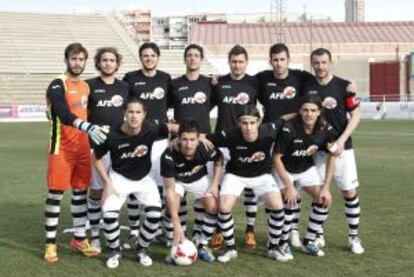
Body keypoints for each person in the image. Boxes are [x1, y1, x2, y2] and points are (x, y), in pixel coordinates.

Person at [43, 43, 109, 263]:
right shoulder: (57, 83)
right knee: (55, 194)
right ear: (66, 60)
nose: (77, 63)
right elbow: (62, 112)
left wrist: (100, 127)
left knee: (80, 193)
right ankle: (50, 244)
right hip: (60, 147)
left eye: (81, 59)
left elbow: (91, 112)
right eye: (74, 59)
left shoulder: (85, 87)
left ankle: (79, 238)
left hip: (82, 148)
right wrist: (86, 126)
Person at [93, 99, 177, 268]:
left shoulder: (151, 128)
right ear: (124, 113)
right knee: (108, 216)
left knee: (154, 216)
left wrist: (196, 137)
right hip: (118, 178)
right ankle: (114, 251)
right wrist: (107, 183)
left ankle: (141, 249)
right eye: (130, 112)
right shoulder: (111, 134)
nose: (134, 116)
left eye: (138, 112)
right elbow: (95, 158)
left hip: (144, 180)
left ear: (144, 115)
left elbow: (174, 127)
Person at [206, 105, 290, 263]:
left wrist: (299, 113)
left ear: (258, 122)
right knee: (224, 207)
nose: (248, 127)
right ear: (239, 123)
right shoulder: (230, 134)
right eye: (244, 123)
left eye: (252, 122)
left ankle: (273, 247)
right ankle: (231, 248)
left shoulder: (269, 130)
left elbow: (283, 119)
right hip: (235, 175)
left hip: (262, 175)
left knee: (278, 205)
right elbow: (207, 138)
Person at [303, 48, 364, 254]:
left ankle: (354, 237)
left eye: (323, 62)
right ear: (311, 64)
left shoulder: (344, 86)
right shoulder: (307, 85)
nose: (320, 66)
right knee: (320, 194)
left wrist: (341, 140)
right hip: (318, 151)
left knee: (349, 192)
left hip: (343, 149)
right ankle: (318, 233)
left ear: (330, 62)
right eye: (316, 63)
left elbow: (355, 115)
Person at [256, 43, 313, 248]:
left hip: (297, 138)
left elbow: (325, 79)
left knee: (295, 188)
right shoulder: (262, 78)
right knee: (277, 189)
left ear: (288, 60)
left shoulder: (301, 77)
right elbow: (240, 82)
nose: (279, 64)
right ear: (270, 60)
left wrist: (348, 85)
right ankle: (277, 231)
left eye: (282, 59)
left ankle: (293, 231)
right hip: (272, 139)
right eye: (275, 59)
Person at [273, 94, 337, 258]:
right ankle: (282, 243)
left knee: (323, 201)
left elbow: (332, 156)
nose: (309, 114)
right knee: (289, 202)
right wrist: (289, 186)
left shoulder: (326, 129)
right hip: (284, 168)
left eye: (313, 110)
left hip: (305, 168)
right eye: (305, 110)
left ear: (319, 112)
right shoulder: (289, 128)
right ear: (300, 111)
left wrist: (326, 188)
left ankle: (309, 241)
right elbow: (276, 158)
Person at [122, 42, 172, 247]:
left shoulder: (166, 78)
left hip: (159, 141)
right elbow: (124, 107)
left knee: (159, 187)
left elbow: (169, 104)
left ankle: (157, 227)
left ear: (158, 57)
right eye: (145, 55)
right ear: (140, 58)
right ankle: (134, 230)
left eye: (152, 55)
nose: (149, 58)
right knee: (135, 184)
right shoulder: (130, 78)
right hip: (137, 140)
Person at [211, 45, 260, 249]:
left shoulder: (254, 83)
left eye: (240, 61)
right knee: (221, 189)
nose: (237, 65)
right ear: (229, 62)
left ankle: (250, 230)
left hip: (248, 141)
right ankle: (219, 231)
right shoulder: (219, 83)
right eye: (233, 61)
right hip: (223, 142)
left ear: (246, 63)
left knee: (250, 188)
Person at [86, 47, 130, 253]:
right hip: (97, 147)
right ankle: (95, 235)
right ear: (98, 63)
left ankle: (117, 231)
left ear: (117, 63)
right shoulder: (90, 86)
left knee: (119, 190)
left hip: (120, 147)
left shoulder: (125, 87)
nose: (108, 63)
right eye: (104, 60)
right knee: (96, 191)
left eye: (112, 60)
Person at [169, 44, 214, 241]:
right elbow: (164, 106)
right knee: (179, 188)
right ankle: (178, 232)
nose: (193, 59)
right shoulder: (175, 84)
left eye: (196, 55)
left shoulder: (210, 83)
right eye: (189, 55)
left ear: (201, 59)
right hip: (181, 142)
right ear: (185, 59)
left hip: (204, 141)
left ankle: (198, 231)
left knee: (200, 188)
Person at [162, 121, 223, 263]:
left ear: (198, 139)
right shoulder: (168, 155)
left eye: (192, 140)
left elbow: (219, 159)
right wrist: (177, 225)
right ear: (178, 138)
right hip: (178, 181)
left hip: (199, 179)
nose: (188, 144)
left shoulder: (205, 147)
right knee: (172, 207)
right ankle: (175, 244)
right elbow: (170, 190)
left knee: (214, 208)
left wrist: (214, 184)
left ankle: (202, 245)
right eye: (184, 139)